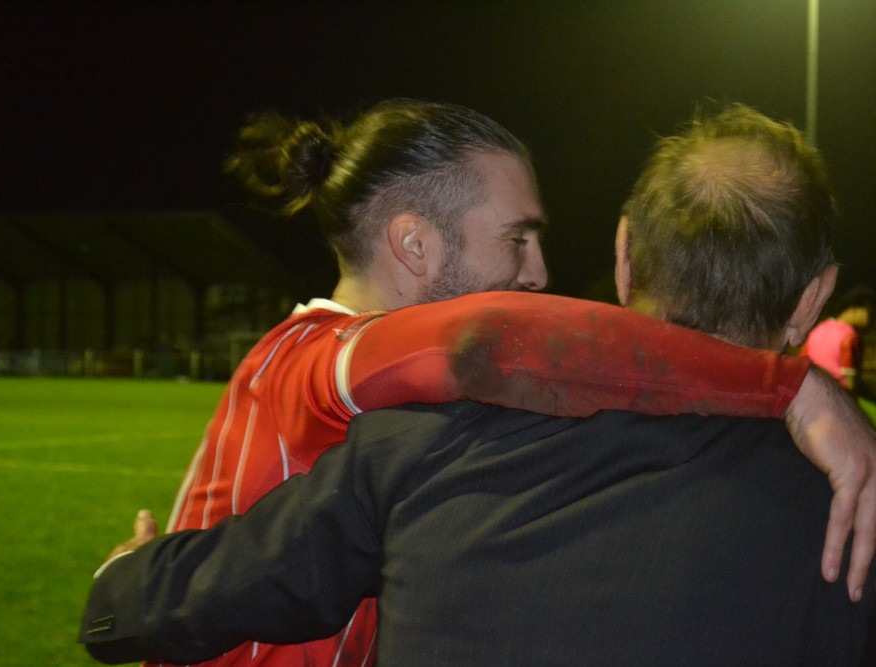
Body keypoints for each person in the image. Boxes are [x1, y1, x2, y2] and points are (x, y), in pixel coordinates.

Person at [86, 101, 876, 666]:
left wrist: (125, 589)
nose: (537, 274)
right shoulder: (329, 359)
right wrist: (785, 384)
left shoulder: (421, 425)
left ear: (626, 253)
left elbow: (236, 580)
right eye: (518, 238)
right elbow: (490, 339)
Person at [802, 285, 875, 394]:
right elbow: (851, 384)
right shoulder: (850, 337)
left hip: (809, 393)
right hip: (836, 397)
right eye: (870, 314)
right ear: (856, 309)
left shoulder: (818, 329)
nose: (871, 320)